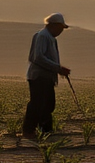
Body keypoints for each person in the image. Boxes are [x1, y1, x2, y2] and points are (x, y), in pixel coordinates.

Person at [20, 13, 72, 142]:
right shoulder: (43, 36)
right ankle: (29, 131)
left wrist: (57, 69)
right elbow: (38, 57)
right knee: (37, 104)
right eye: (60, 28)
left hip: (45, 76)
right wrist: (58, 68)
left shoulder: (48, 37)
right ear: (53, 25)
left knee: (47, 104)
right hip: (39, 76)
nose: (61, 31)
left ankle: (46, 130)